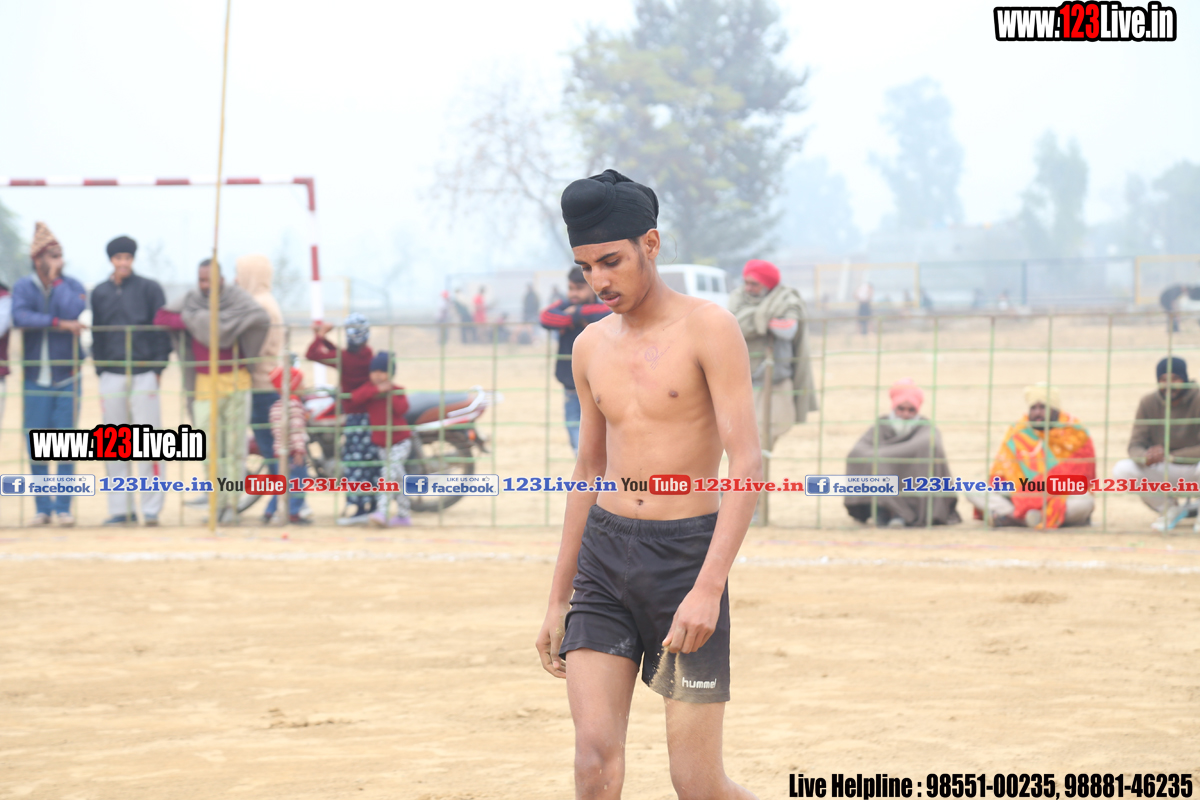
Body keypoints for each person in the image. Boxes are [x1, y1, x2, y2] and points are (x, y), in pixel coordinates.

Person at [535, 169, 760, 800]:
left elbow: (746, 462)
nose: (599, 280)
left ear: (650, 245)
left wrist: (707, 589)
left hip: (685, 558)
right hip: (604, 559)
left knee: (697, 785)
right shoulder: (588, 346)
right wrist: (558, 597)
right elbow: (588, 470)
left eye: (611, 261)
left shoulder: (709, 328)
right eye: (586, 267)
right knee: (593, 761)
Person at [155, 259, 270, 524]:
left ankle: (232, 504)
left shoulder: (237, 299)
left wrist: (223, 325)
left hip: (236, 381)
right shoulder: (192, 301)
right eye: (201, 279)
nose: (205, 285)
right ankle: (215, 502)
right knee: (209, 449)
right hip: (205, 384)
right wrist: (199, 321)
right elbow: (162, 317)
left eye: (209, 279)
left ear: (222, 279)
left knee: (234, 448)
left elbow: (259, 318)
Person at [90, 235, 173, 526]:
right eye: (118, 258)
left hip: (144, 373)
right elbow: (97, 333)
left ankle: (151, 509)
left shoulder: (150, 289)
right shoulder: (100, 292)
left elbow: (162, 330)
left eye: (127, 257)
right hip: (111, 374)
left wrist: (158, 368)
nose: (123, 262)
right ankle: (120, 509)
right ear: (111, 260)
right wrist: (101, 369)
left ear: (133, 259)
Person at [12, 222, 87, 526]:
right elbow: (20, 316)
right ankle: (42, 508)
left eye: (60, 255)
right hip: (34, 379)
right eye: (52, 255)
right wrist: (57, 323)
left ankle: (64, 507)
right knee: (36, 444)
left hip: (67, 376)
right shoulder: (23, 287)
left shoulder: (72, 285)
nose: (59, 260)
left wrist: (56, 281)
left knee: (66, 443)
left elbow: (73, 311)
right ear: (37, 258)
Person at [966, 384, 1096, 528]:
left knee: (1085, 501)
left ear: (1055, 409)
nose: (1037, 413)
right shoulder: (1019, 430)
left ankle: (1013, 519)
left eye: (1043, 407)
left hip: (1059, 496)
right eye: (1033, 408)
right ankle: (1031, 518)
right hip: (1020, 494)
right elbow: (1003, 473)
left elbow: (1082, 479)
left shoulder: (1075, 432)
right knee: (972, 489)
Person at [727, 259, 818, 452]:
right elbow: (734, 323)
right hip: (744, 380)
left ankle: (761, 465)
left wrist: (757, 319)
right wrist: (768, 317)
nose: (748, 288)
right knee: (746, 436)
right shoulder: (737, 298)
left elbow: (788, 329)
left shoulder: (787, 299)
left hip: (777, 380)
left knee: (771, 432)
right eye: (746, 282)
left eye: (754, 284)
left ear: (768, 284)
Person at [844, 378, 960, 528]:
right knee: (870, 461)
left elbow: (929, 444)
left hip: (913, 491)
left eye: (911, 410)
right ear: (893, 408)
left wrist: (884, 455)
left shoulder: (926, 428)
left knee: (885, 461)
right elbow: (859, 450)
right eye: (901, 409)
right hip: (882, 482)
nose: (905, 414)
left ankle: (903, 513)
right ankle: (881, 509)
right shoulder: (882, 425)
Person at [1112, 356, 1200, 531]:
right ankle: (1169, 510)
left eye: (1175, 378)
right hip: (1163, 466)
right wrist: (1146, 457)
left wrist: (1172, 456)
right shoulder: (1148, 402)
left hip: (1193, 466)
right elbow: (1135, 445)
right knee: (1122, 470)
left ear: (1184, 379)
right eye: (1163, 379)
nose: (1169, 385)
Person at [307, 314, 379, 523]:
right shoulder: (368, 356)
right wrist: (325, 339)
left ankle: (359, 509)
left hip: (355, 417)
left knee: (355, 463)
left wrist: (320, 335)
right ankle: (374, 506)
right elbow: (338, 353)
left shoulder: (345, 359)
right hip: (372, 416)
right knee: (370, 462)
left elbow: (312, 354)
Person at [235, 254, 290, 507]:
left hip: (260, 384)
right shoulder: (268, 301)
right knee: (273, 448)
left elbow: (253, 348)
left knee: (270, 449)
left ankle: (281, 503)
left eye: (240, 273)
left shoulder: (258, 305)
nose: (236, 279)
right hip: (271, 381)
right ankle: (281, 502)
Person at [539, 267, 610, 454]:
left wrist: (576, 314)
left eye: (579, 288)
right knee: (574, 426)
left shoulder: (603, 307)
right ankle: (584, 463)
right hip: (570, 384)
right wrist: (575, 318)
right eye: (571, 288)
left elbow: (608, 314)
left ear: (592, 287)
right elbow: (545, 317)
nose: (573, 293)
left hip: (600, 383)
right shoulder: (563, 305)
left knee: (603, 429)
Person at [349, 351, 411, 528]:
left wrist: (389, 392)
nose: (377, 375)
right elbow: (355, 398)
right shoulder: (369, 389)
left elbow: (402, 409)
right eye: (374, 371)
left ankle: (382, 512)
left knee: (387, 475)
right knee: (398, 480)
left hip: (400, 442)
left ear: (390, 374)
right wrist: (376, 390)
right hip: (383, 445)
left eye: (382, 371)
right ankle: (404, 516)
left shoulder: (397, 390)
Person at [264, 365, 310, 525]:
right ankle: (293, 512)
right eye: (301, 383)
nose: (304, 387)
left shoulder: (276, 406)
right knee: (298, 482)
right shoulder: (295, 405)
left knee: (281, 484)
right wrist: (299, 451)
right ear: (293, 385)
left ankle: (269, 511)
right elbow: (296, 430)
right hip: (293, 454)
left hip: (279, 452)